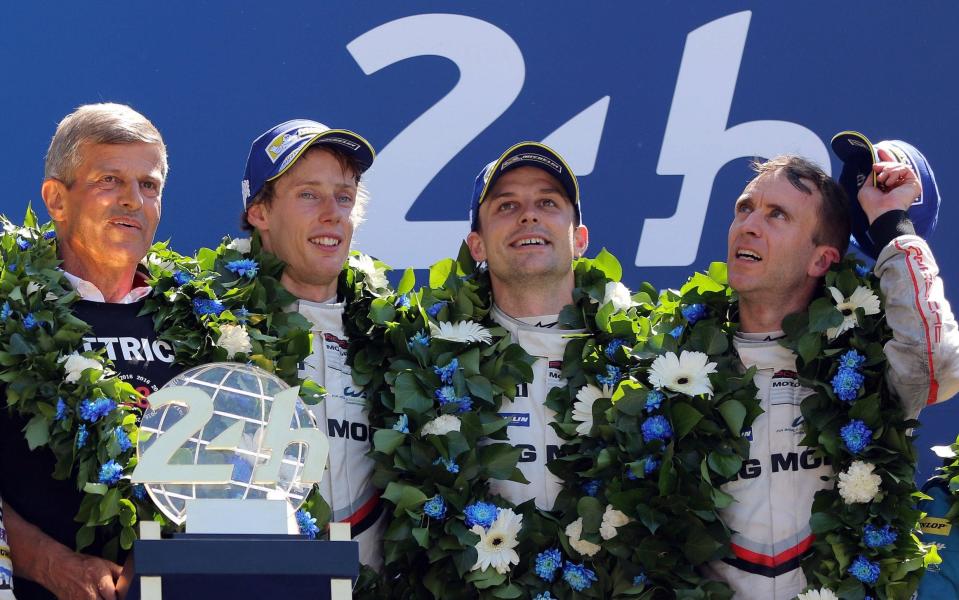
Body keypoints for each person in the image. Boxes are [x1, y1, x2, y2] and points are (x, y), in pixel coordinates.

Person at [703, 151, 959, 599]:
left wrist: (890, 226)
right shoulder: (674, 363)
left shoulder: (866, 370)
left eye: (776, 214)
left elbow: (939, 362)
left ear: (821, 260)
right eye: (745, 208)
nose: (748, 224)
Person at [0, 103, 179, 600]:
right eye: (109, 181)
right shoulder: (8, 313)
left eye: (149, 185)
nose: (133, 201)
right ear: (57, 199)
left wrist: (173, 551)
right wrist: (51, 564)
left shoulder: (203, 323)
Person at [240, 119, 385, 569]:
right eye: (308, 194)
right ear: (259, 212)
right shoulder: (205, 329)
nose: (332, 212)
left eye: (344, 197)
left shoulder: (393, 336)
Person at [464, 141, 589, 508]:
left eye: (548, 202)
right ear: (477, 246)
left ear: (579, 239)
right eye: (507, 205)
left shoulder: (641, 357)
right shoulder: (437, 363)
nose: (528, 216)